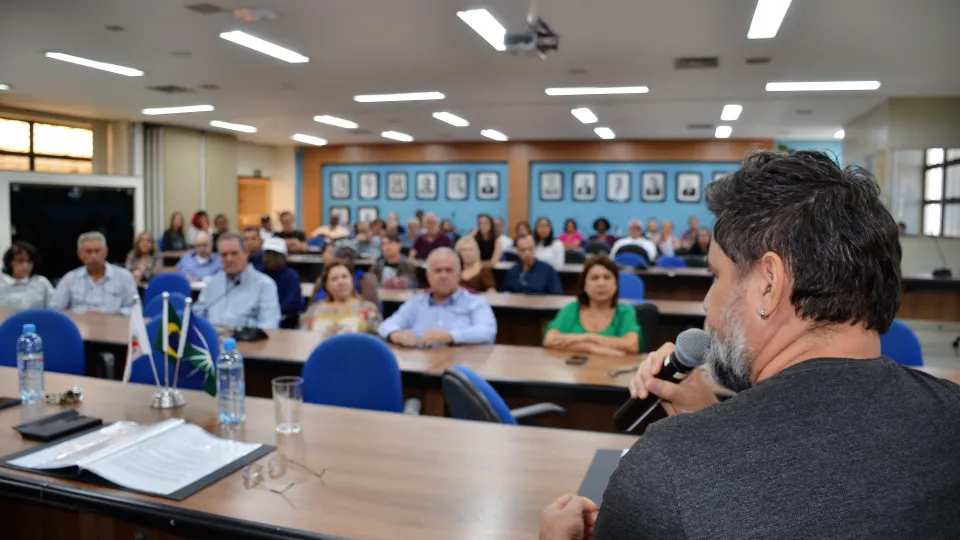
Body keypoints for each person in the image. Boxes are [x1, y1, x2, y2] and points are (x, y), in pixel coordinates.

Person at [542, 151, 960, 539]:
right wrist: (714, 424)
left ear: (768, 284)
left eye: (716, 276)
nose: (707, 302)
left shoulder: (666, 468)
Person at [379, 248, 497, 347]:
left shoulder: (475, 303)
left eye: (449, 270)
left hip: (459, 368)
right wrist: (395, 334)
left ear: (459, 275)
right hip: (419, 368)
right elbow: (386, 325)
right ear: (428, 276)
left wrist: (450, 336)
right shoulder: (415, 303)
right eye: (438, 271)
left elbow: (487, 331)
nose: (443, 275)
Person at [542, 256, 640, 356]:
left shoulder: (625, 312)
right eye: (594, 278)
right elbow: (549, 340)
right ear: (584, 285)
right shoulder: (571, 309)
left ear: (615, 284)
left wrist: (590, 338)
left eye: (607, 278)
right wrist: (589, 347)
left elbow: (632, 345)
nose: (601, 284)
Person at [194, 233, 281, 329]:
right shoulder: (211, 284)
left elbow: (269, 326)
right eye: (224, 255)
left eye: (234, 253)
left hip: (248, 341)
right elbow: (196, 317)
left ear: (246, 253)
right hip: (212, 340)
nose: (229, 259)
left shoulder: (265, 285)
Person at [51, 232, 138, 316]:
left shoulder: (124, 277)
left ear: (106, 252)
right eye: (88, 251)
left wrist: (114, 315)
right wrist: (76, 316)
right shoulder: (70, 279)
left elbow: (136, 308)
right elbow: (55, 309)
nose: (93, 256)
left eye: (97, 251)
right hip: (79, 327)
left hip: (114, 327)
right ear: (80, 254)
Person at [302, 260, 381, 336]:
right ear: (326, 285)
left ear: (352, 280)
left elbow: (378, 338)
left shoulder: (368, 308)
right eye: (334, 279)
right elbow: (302, 336)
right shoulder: (314, 310)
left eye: (345, 277)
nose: (341, 282)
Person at [257, 237, 304, 328]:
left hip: (283, 323)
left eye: (275, 254)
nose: (270, 258)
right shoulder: (257, 274)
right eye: (267, 254)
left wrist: (269, 313)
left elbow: (291, 304)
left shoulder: (291, 276)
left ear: (284, 257)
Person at [0, 242, 54, 309]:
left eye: (29, 261)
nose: (25, 265)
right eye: (20, 260)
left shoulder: (41, 283)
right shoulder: (1, 282)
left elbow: (54, 308)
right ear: (10, 262)